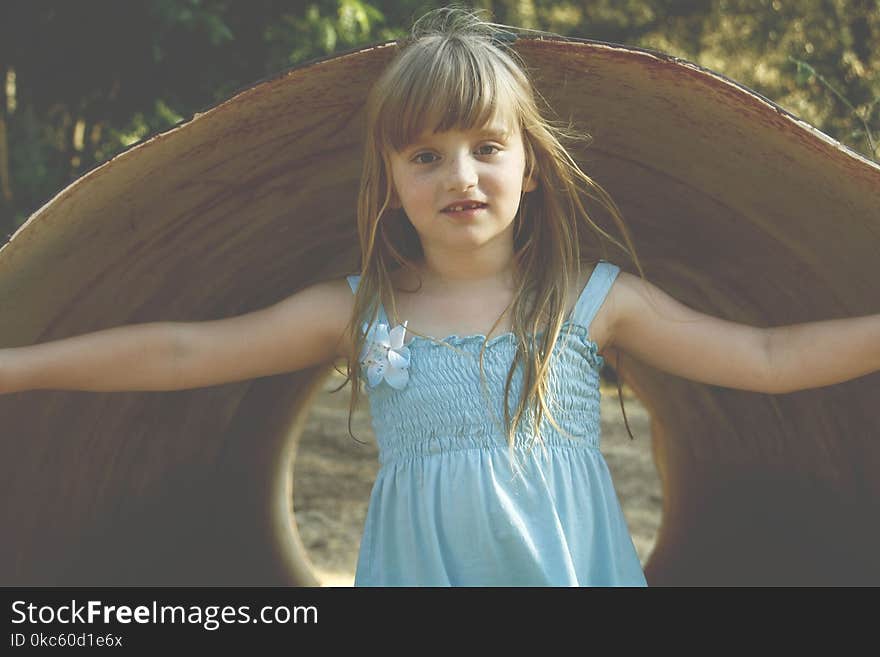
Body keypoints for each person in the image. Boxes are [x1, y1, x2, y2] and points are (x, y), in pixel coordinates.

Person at [2, 5, 878, 586]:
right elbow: (183, 352)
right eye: (424, 154)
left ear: (530, 166)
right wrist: (20, 366)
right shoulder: (359, 311)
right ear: (388, 178)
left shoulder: (593, 302)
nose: (459, 173)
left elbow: (768, 359)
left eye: (485, 147)